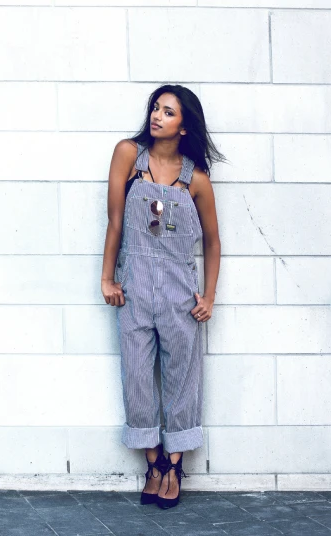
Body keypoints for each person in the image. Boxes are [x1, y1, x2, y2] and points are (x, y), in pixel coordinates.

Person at [100, 85, 224, 509]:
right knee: (137, 378)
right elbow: (115, 221)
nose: (156, 116)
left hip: (178, 293)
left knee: (182, 380)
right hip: (134, 287)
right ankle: (152, 462)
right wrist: (107, 279)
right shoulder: (127, 156)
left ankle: (174, 464)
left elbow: (212, 241)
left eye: (167, 111)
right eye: (155, 107)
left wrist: (208, 296)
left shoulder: (197, 180)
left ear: (184, 125)